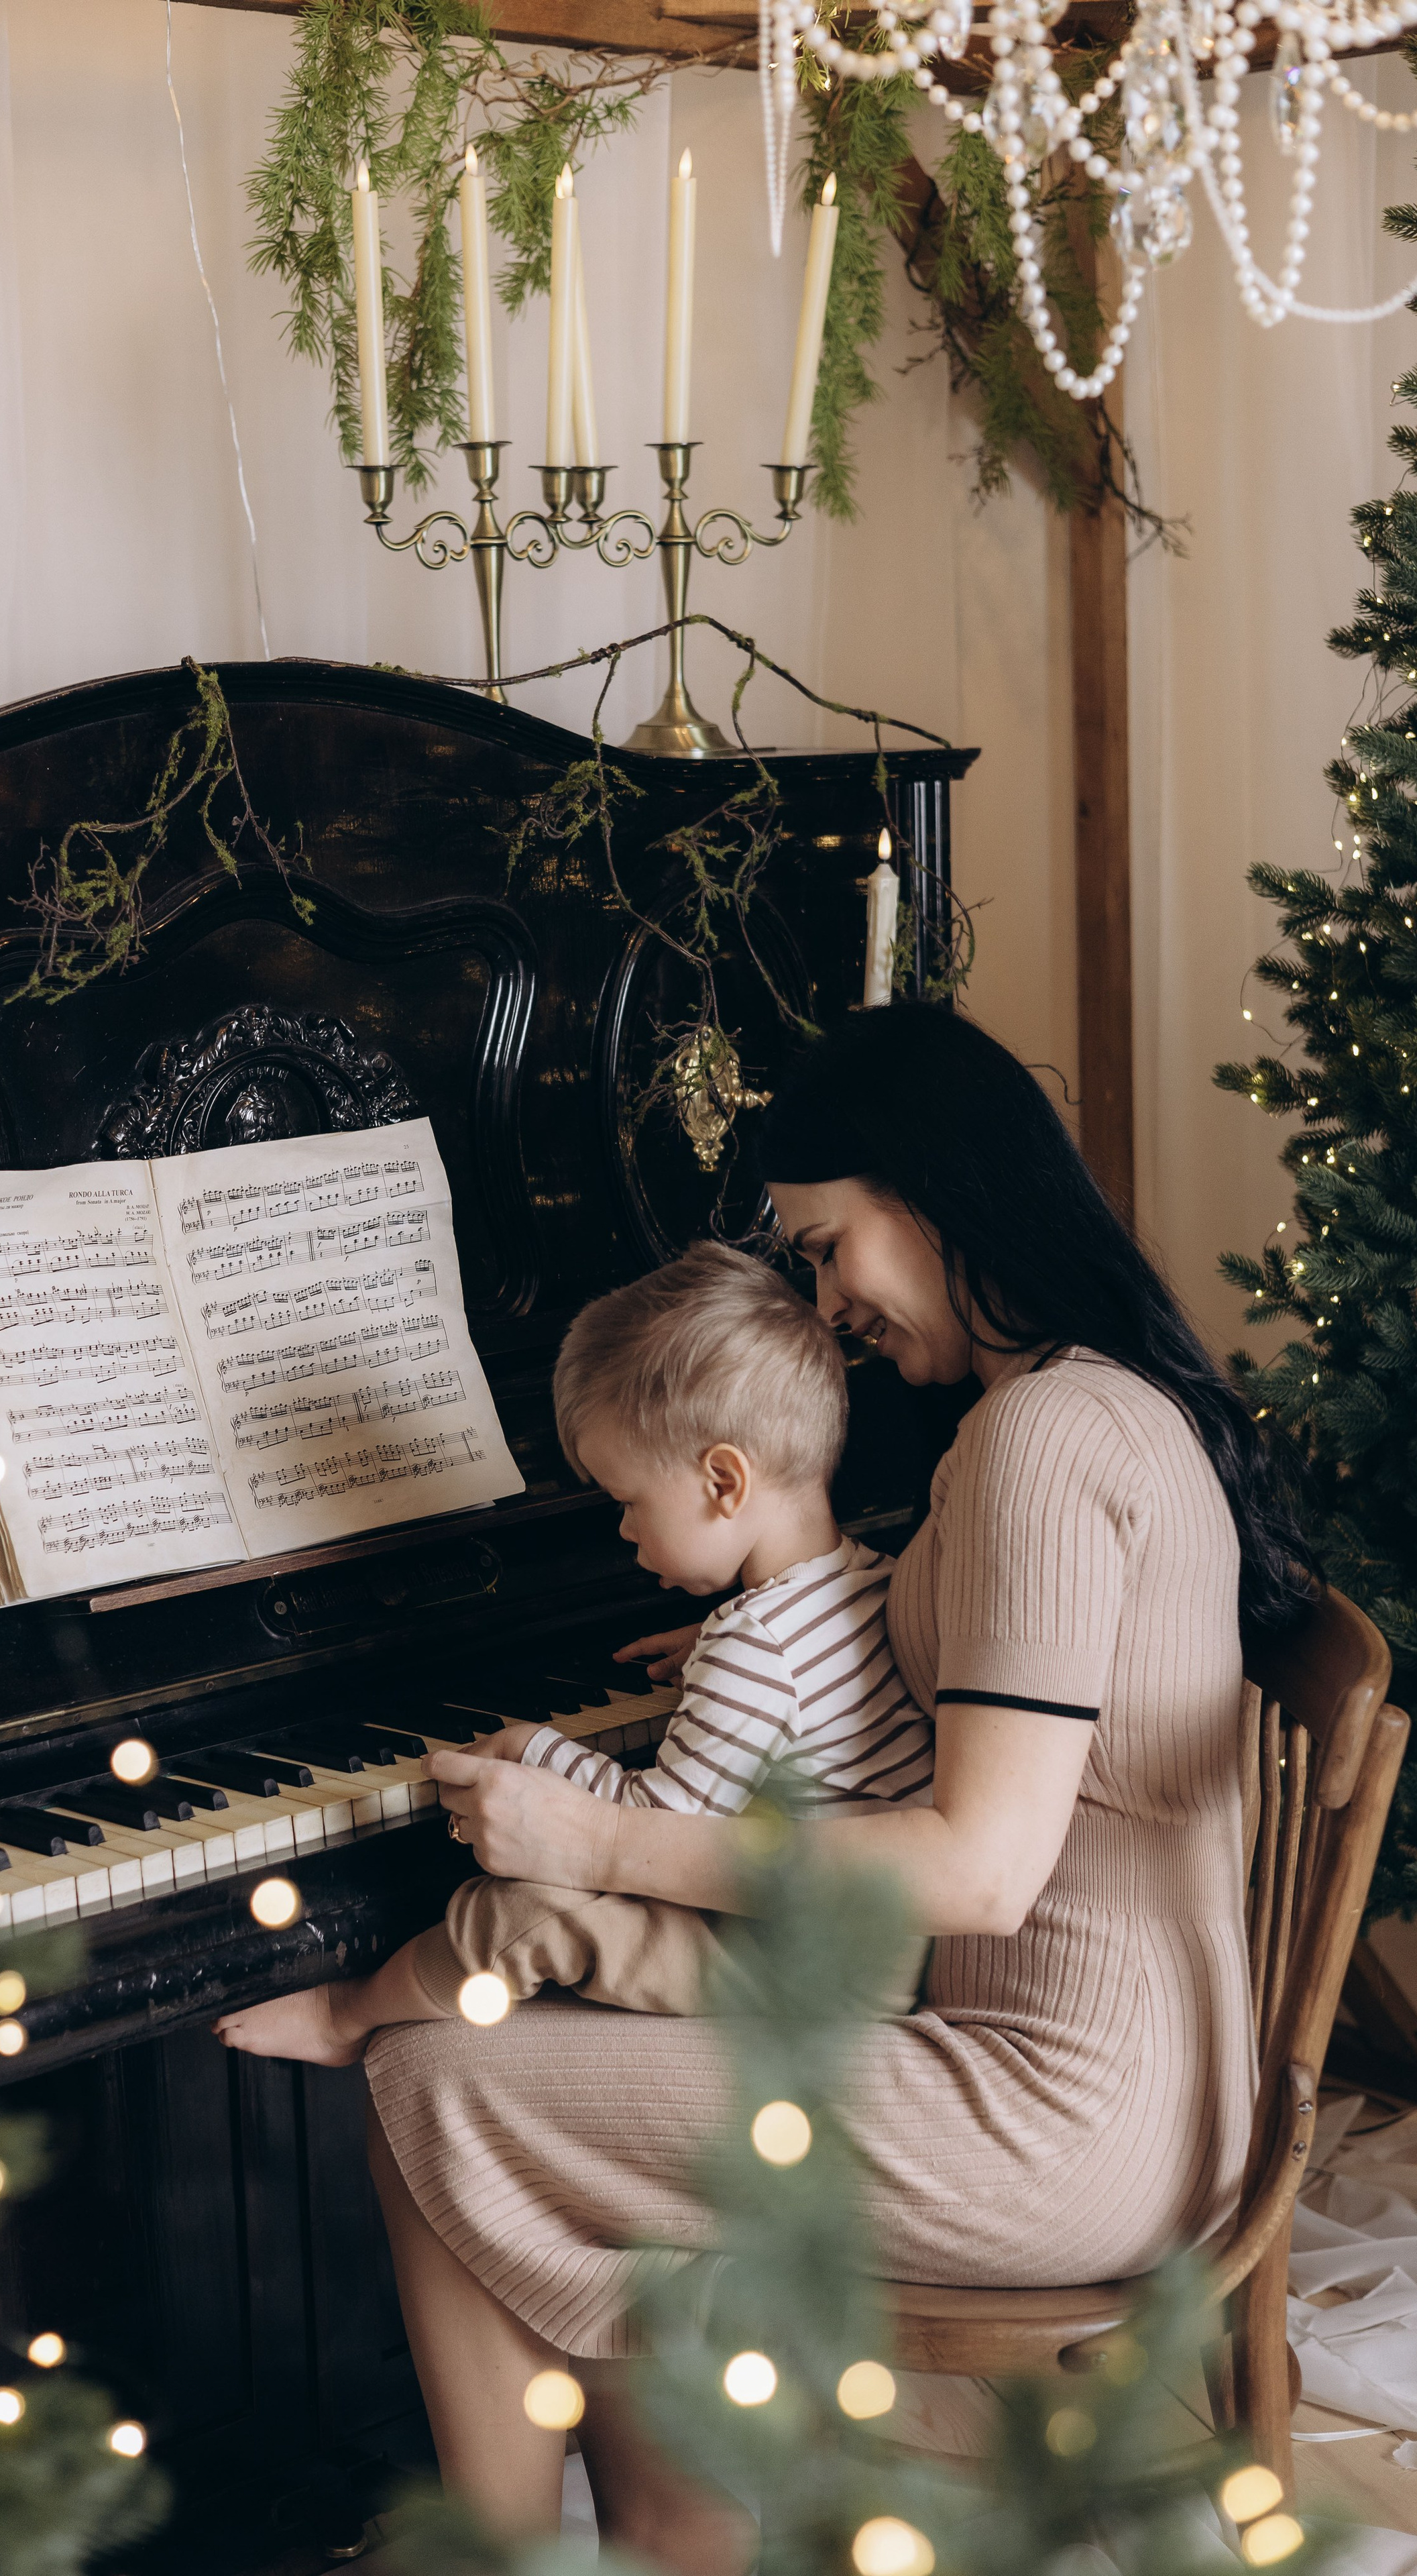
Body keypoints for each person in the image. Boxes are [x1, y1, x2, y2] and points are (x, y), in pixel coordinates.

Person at [363, 1006, 1312, 2573]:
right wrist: (767, 1629)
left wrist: (597, 1831)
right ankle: (673, 2530)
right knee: (534, 2046)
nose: (828, 1304)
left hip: (1058, 2120)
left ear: (930, 1191)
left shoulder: (1037, 1436)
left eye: (823, 1247)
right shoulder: (1091, 1404)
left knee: (426, 2078)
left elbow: (980, 1869)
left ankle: (598, 2545)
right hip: (1146, 2085)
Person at [213, 1242, 933, 2068]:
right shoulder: (865, 1579)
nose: (621, 1530)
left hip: (797, 1970)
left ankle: (348, 2014)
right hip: (887, 1947)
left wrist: (538, 1750)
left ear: (724, 1483)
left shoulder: (753, 1653)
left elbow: (659, 1837)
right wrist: (719, 1646)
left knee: (516, 1911)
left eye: (627, 1501)